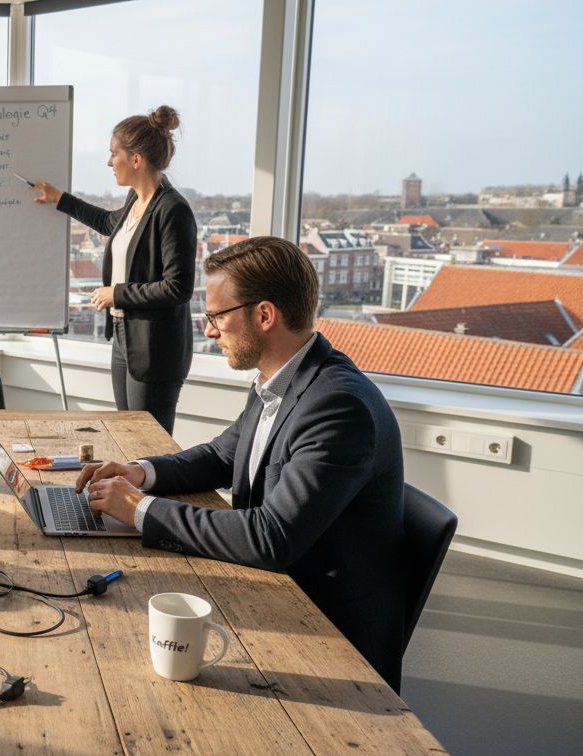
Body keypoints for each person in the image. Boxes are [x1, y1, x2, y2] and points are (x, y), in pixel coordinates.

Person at [75, 236, 407, 691]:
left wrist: (138, 509)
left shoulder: (338, 407)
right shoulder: (282, 379)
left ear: (264, 315)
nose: (209, 330)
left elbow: (272, 538)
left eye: (216, 316)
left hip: (326, 639)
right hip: (275, 594)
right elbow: (223, 454)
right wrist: (141, 473)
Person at [32, 105, 196, 433]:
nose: (109, 162)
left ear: (136, 159)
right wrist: (60, 198)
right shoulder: (136, 203)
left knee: (149, 446)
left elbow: (178, 287)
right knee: (128, 437)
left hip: (155, 348)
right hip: (125, 339)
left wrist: (115, 294)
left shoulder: (173, 211)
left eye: (113, 154)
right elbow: (109, 223)